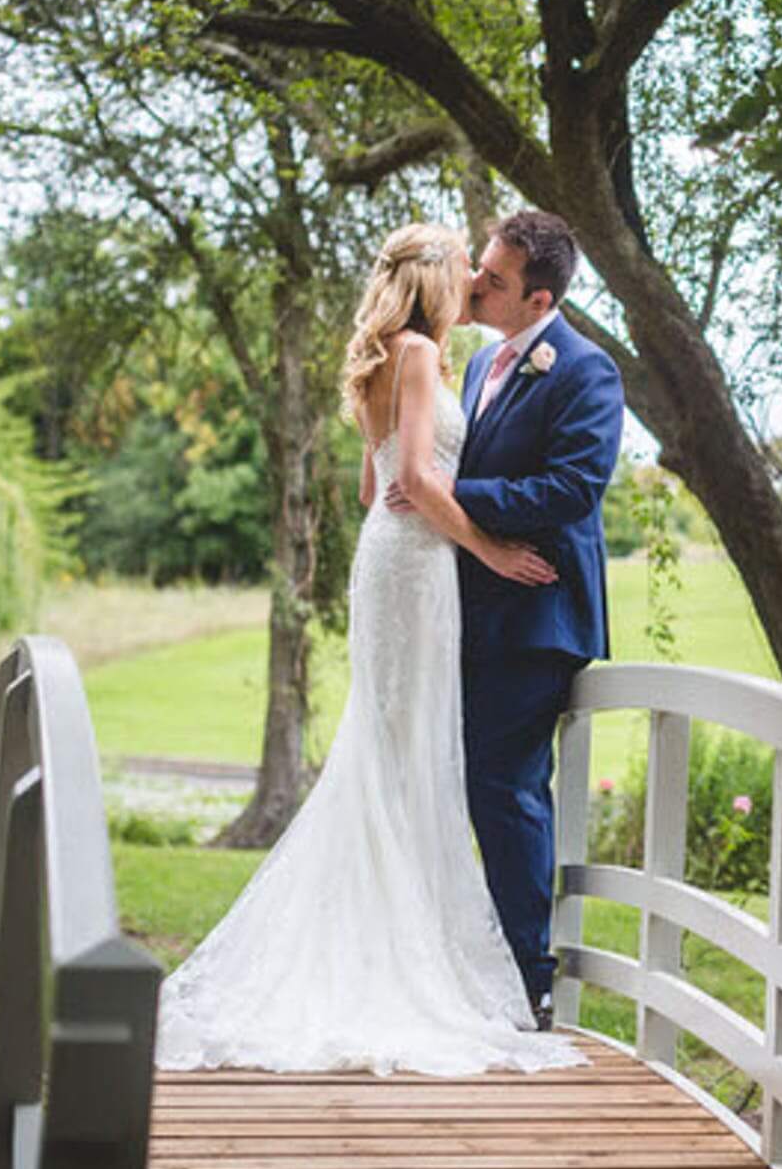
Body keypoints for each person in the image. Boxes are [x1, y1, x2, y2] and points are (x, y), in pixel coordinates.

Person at [154, 223, 588, 1076]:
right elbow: (418, 483)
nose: (473, 284)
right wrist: (491, 550)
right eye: (467, 271)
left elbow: (373, 484)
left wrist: (419, 491)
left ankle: (379, 946)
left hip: (387, 561)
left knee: (391, 750)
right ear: (433, 282)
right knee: (406, 754)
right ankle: (400, 963)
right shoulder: (423, 353)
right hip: (421, 564)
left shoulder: (384, 355)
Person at [395, 209, 624, 1027]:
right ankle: (475, 964)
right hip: (468, 608)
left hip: (538, 615)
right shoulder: (479, 361)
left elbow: (570, 492)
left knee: (506, 788)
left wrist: (448, 494)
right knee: (462, 782)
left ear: (539, 298)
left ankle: (530, 981)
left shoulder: (586, 373)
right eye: (479, 269)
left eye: (492, 278)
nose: (474, 284)